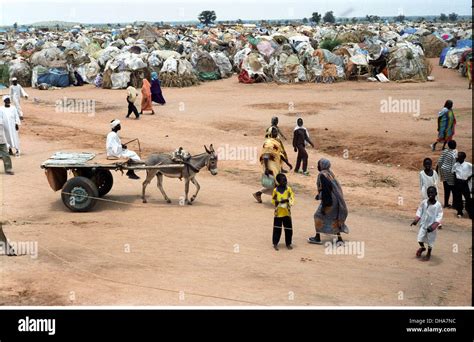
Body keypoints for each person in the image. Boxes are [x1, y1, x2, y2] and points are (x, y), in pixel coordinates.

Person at [308, 159, 349, 245]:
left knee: (318, 216)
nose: (317, 167)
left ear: (322, 165)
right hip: (336, 199)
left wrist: (325, 206)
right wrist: (319, 196)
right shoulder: (330, 173)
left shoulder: (322, 175)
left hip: (330, 200)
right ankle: (339, 239)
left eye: (318, 165)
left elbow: (326, 190)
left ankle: (317, 237)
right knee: (334, 218)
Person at [253, 127, 293, 203]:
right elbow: (265, 156)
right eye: (274, 131)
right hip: (270, 165)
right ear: (270, 133)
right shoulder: (268, 143)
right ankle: (279, 199)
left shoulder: (276, 142)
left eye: (276, 131)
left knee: (273, 183)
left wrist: (287, 163)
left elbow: (279, 154)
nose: (276, 132)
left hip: (276, 165)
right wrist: (267, 168)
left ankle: (258, 194)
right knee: (276, 182)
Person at [410, 186, 443, 261]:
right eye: (428, 193)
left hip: (431, 226)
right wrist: (416, 220)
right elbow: (420, 211)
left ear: (436, 194)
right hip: (423, 225)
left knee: (430, 241)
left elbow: (439, 216)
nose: (430, 194)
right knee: (419, 239)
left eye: (432, 192)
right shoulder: (424, 202)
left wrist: (434, 226)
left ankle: (429, 253)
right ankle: (422, 247)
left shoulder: (437, 205)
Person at [271, 173, 294, 250]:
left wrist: (287, 200)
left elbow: (292, 198)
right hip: (278, 214)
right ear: (278, 182)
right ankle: (275, 243)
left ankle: (288, 243)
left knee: (288, 229)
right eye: (283, 181)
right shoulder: (275, 190)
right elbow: (273, 200)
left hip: (287, 213)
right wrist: (277, 202)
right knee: (277, 229)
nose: (285, 182)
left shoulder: (288, 190)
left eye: (286, 180)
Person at [437, 140, 457, 208]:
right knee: (453, 189)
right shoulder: (454, 153)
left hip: (443, 170)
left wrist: (439, 169)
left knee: (446, 188)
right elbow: (453, 165)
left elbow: (439, 161)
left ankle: (446, 203)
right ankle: (454, 204)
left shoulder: (445, 151)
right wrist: (454, 174)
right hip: (450, 172)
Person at [451, 152, 472, 219]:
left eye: (458, 157)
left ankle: (469, 211)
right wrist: (455, 181)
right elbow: (453, 172)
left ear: (463, 158)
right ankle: (459, 211)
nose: (457, 158)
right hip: (458, 183)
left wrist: (469, 177)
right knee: (458, 198)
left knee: (468, 198)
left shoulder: (468, 165)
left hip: (465, 183)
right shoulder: (455, 165)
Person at [0, 106, 14, 175]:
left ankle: (8, 169)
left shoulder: (1, 114)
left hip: (2, 139)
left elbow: (6, 127)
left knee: (6, 154)